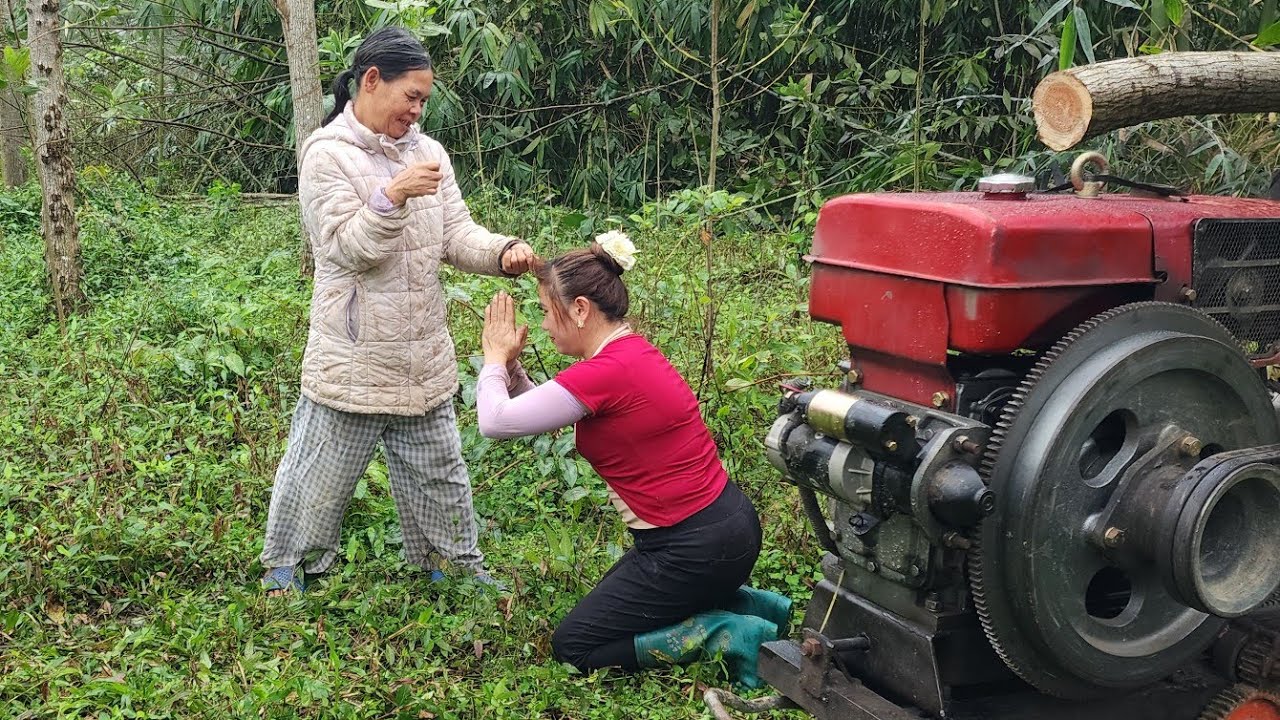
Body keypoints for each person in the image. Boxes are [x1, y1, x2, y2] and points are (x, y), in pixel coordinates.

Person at [258, 27, 535, 594]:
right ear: (370, 81)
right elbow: (346, 248)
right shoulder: (326, 155)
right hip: (353, 354)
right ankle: (288, 571)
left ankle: (454, 567)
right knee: (319, 475)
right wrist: (392, 197)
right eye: (410, 96)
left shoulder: (428, 153)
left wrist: (501, 252)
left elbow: (455, 232)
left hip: (422, 352)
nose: (417, 110)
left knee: (441, 474)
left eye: (424, 100)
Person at [474, 235, 792, 687]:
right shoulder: (628, 353)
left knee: (575, 647)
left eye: (547, 310)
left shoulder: (605, 372)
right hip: (721, 531)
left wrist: (492, 356)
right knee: (615, 609)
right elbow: (534, 411)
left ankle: (726, 632)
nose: (544, 324)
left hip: (693, 550)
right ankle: (753, 605)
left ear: (580, 309)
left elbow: (495, 422)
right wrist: (510, 368)